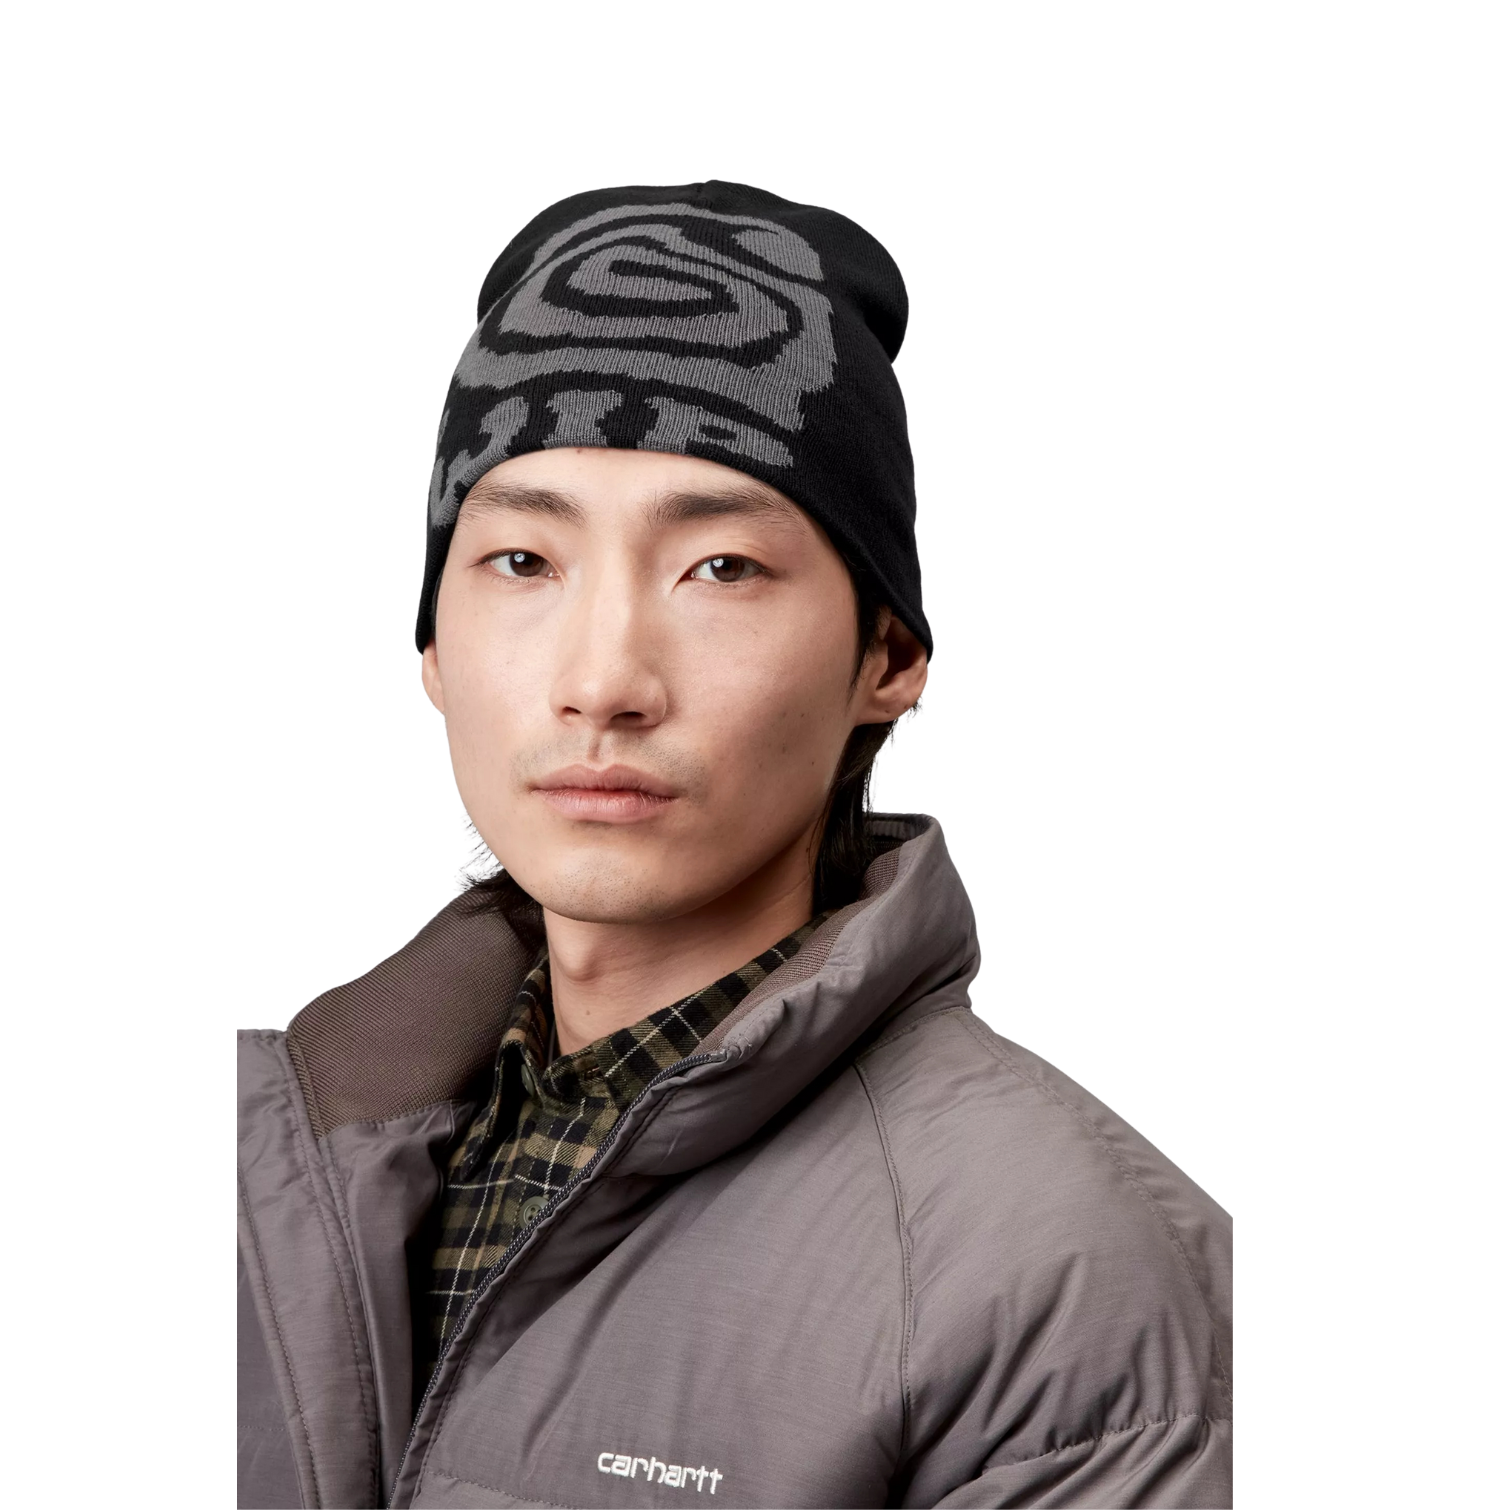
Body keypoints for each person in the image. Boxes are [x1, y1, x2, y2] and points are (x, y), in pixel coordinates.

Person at [236, 181, 1232, 1510]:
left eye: (720, 568)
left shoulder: (1059, 1273)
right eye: (524, 562)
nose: (603, 682)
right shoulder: (262, 1157)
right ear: (432, 647)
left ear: (887, 656)